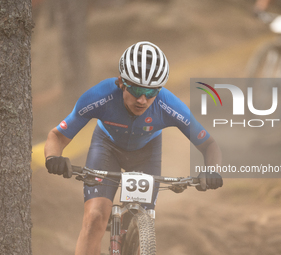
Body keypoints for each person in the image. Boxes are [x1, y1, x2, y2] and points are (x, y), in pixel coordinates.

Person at [44, 41, 223, 255]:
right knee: (95, 218)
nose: (142, 99)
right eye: (137, 89)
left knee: (142, 223)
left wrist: (212, 170)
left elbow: (209, 145)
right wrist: (53, 157)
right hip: (106, 148)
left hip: (146, 154)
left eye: (151, 92)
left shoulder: (169, 106)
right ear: (121, 82)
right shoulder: (100, 96)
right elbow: (57, 135)